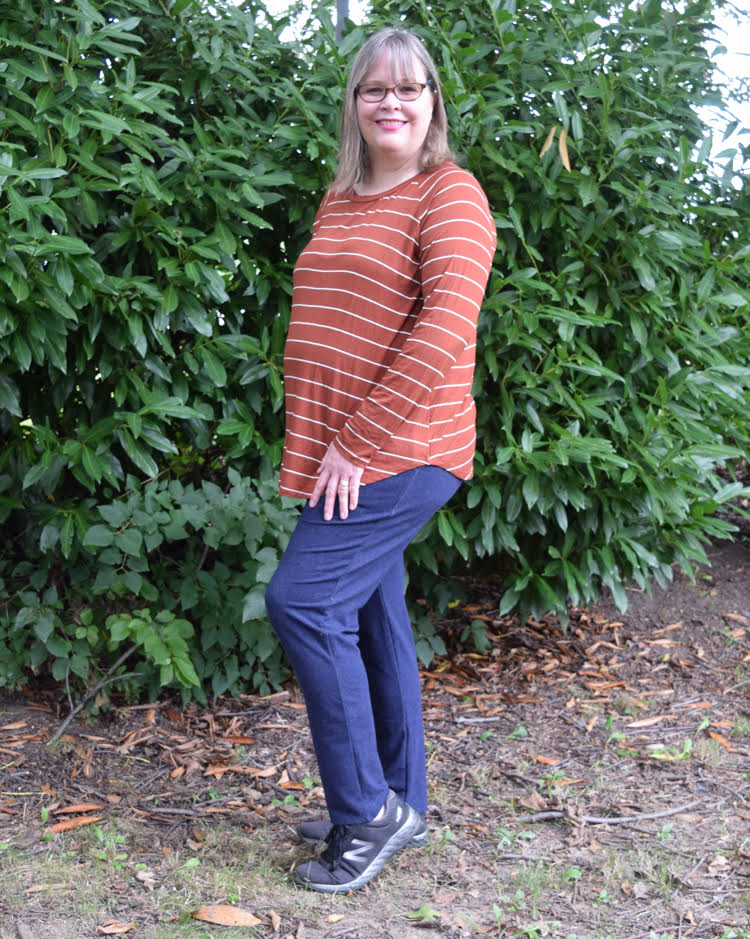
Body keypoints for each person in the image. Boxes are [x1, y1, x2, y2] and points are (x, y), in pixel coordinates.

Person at [265, 26, 496, 894]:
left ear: (432, 101)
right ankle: (402, 798)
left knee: (302, 600)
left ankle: (365, 814)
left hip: (401, 450)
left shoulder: (452, 195)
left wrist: (355, 443)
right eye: (373, 90)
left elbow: (444, 329)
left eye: (408, 88)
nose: (390, 103)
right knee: (368, 613)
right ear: (354, 106)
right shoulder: (345, 196)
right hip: (347, 451)